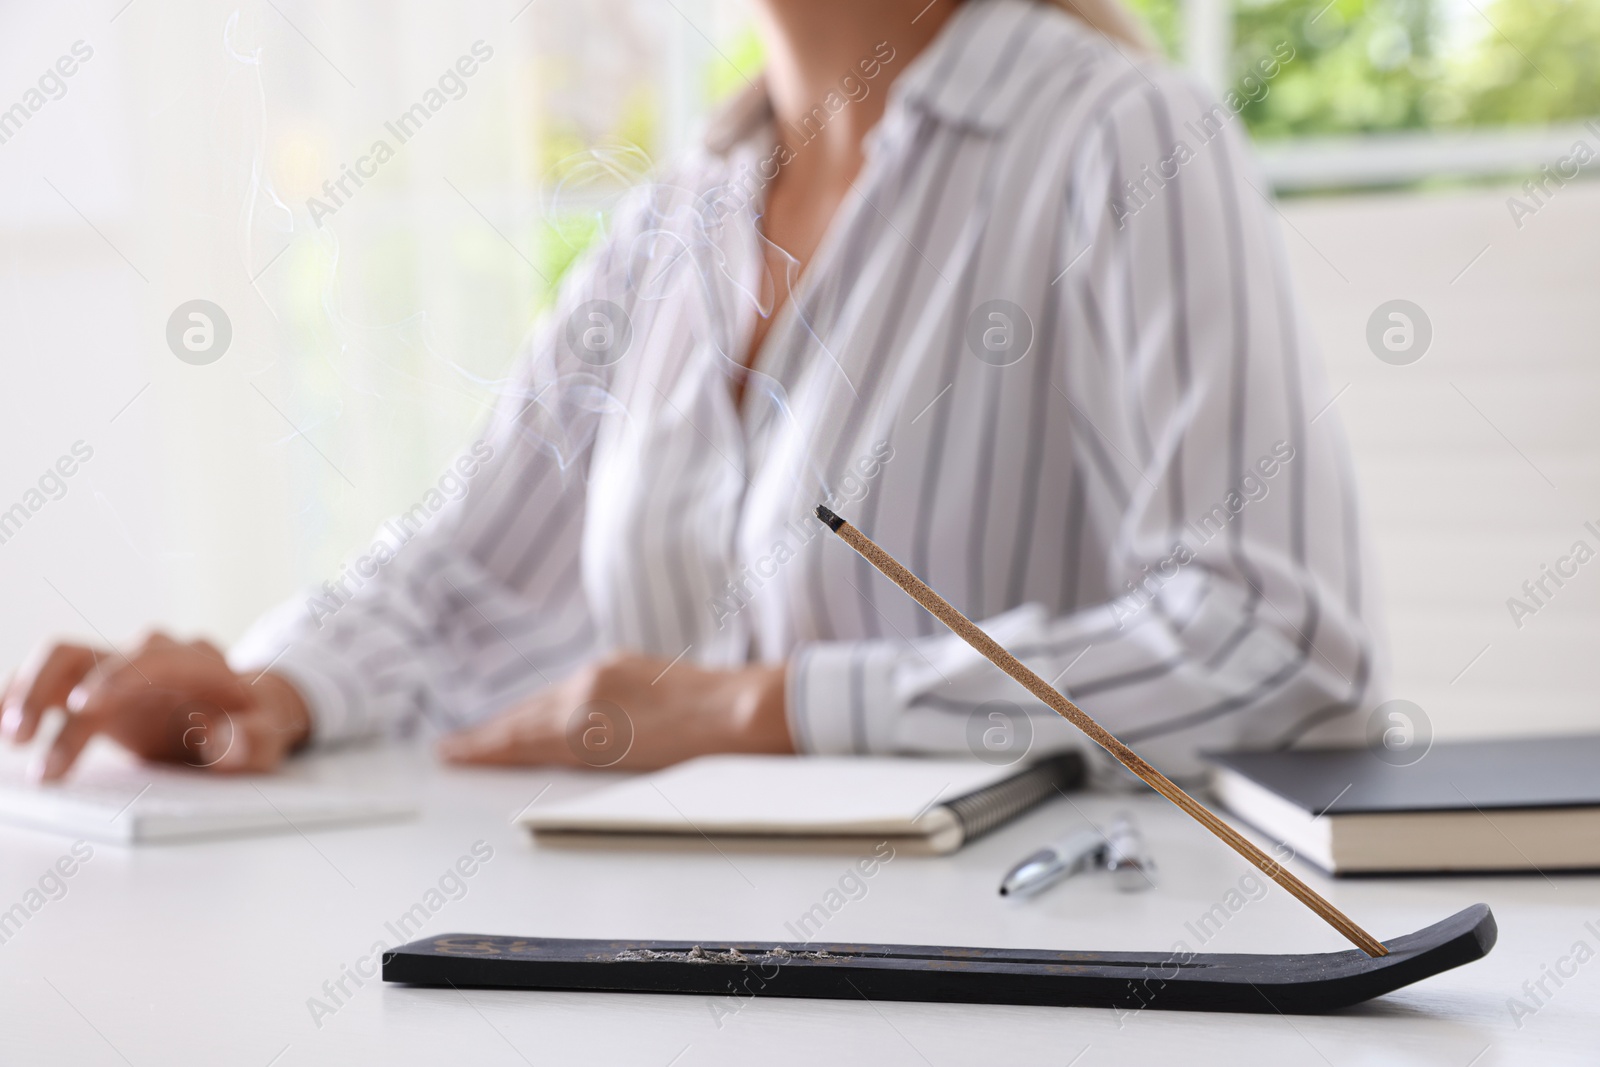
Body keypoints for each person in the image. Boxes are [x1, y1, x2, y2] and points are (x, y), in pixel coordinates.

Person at [0, 0, 1379, 783]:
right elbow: (460, 582)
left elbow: (1276, 646)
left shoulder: (1121, 140)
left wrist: (753, 709)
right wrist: (266, 682)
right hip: (685, 961)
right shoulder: (681, 219)